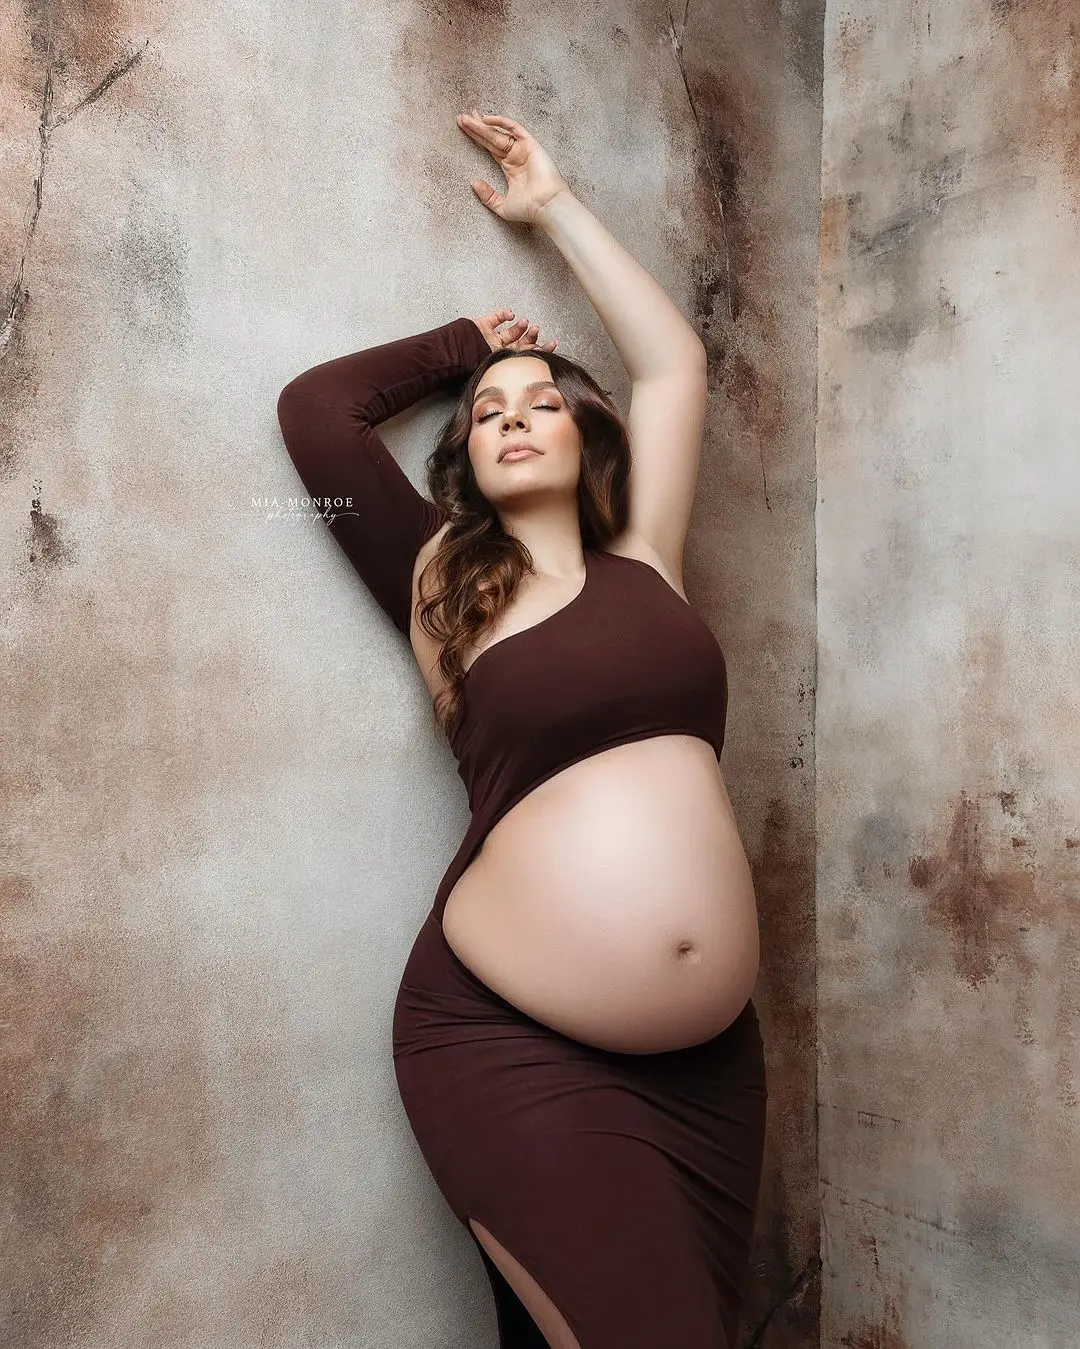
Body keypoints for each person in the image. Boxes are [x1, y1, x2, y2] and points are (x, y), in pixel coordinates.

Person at [277, 108, 767, 1349]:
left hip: (709, 1073)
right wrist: (466, 344)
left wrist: (554, 206)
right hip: (510, 1043)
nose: (512, 412)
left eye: (542, 399)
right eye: (487, 410)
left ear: (584, 435)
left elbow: (675, 368)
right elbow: (319, 425)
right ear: (465, 458)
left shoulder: (649, 558)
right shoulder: (442, 586)